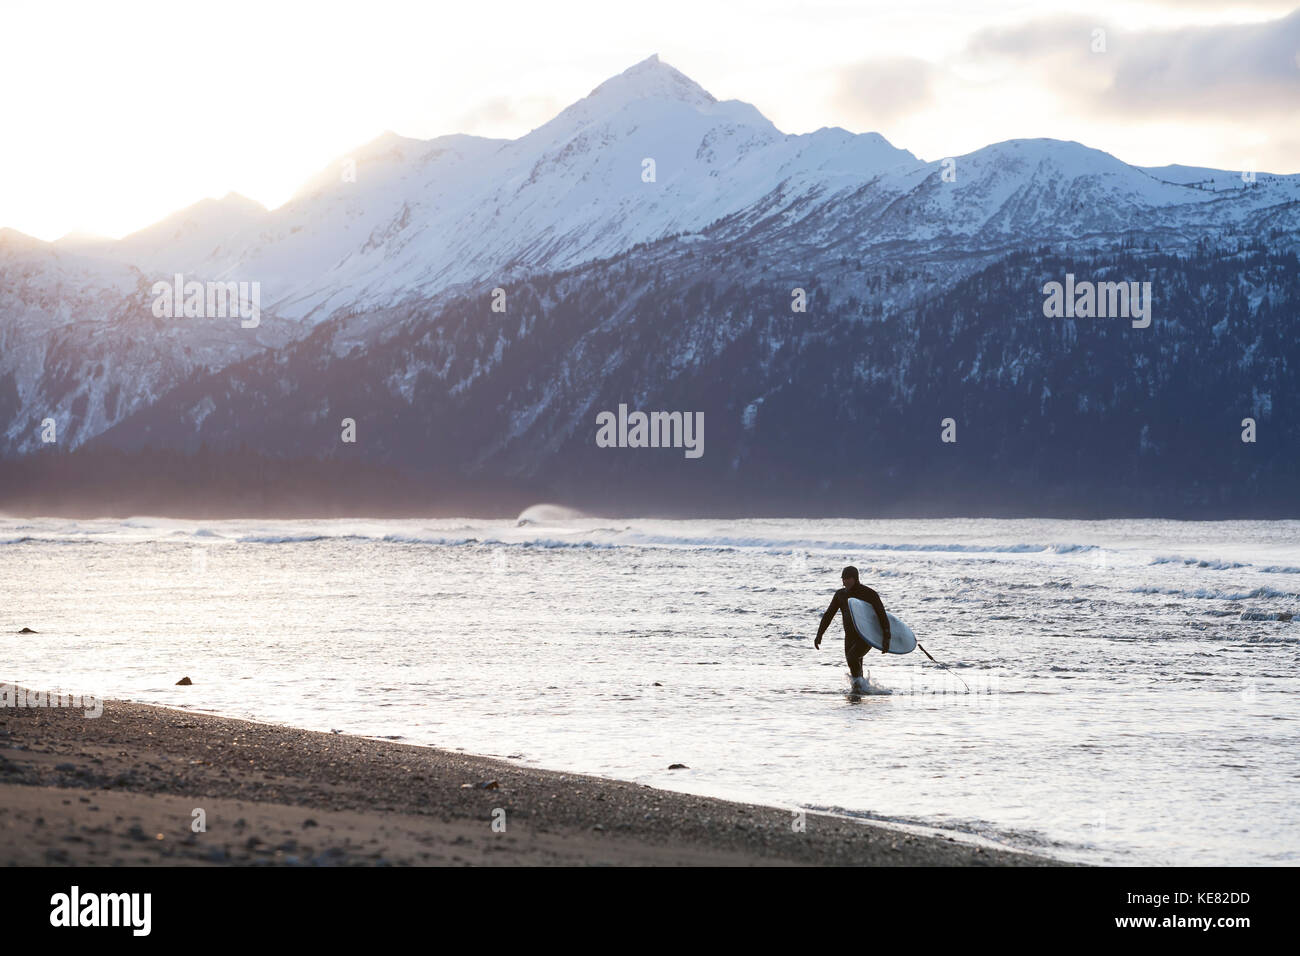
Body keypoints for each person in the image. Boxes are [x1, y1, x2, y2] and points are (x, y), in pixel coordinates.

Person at [814, 565, 890, 680]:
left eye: (847, 579)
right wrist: (819, 634)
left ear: (855, 578)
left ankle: (860, 687)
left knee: (852, 658)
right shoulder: (840, 595)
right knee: (853, 664)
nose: (844, 582)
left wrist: (886, 638)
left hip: (866, 636)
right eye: (843, 579)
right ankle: (859, 690)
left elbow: (882, 616)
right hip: (849, 636)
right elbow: (828, 615)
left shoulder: (869, 594)